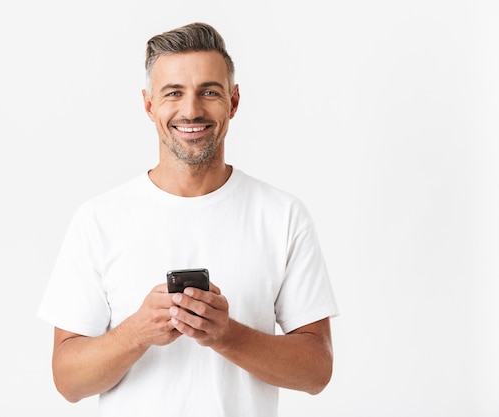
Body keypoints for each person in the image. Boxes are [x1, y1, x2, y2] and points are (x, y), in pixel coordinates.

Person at [37, 22, 338, 416]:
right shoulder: (100, 219)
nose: (191, 110)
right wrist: (137, 331)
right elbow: (68, 382)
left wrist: (226, 335)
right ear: (149, 105)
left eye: (209, 92)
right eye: (173, 93)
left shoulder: (282, 216)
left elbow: (316, 371)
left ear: (233, 101)